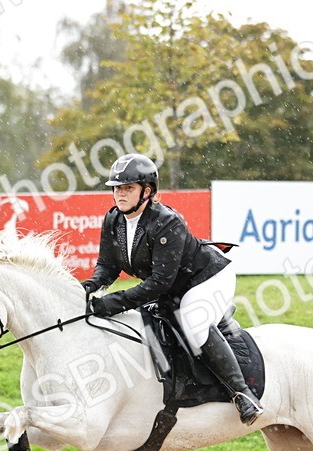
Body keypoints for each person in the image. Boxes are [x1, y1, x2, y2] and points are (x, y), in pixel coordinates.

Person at [81, 153, 262, 425]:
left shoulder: (167, 221)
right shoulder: (113, 220)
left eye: (127, 188)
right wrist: (85, 289)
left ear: (147, 192)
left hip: (206, 278)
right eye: (117, 188)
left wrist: (110, 303)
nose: (119, 194)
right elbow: (107, 267)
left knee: (193, 322)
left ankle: (242, 394)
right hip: (173, 286)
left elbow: (158, 284)